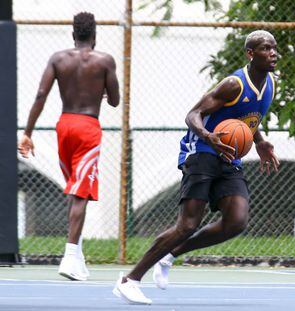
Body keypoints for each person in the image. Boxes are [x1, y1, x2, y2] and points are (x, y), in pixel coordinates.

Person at [113, 30, 279, 304]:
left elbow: (246, 120)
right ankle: (129, 280)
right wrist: (207, 137)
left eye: (274, 48)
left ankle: (170, 255)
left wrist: (258, 141)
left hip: (228, 155)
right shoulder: (233, 84)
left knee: (236, 221)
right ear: (251, 54)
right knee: (187, 224)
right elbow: (193, 115)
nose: (273, 53)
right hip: (201, 150)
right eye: (265, 48)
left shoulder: (271, 84)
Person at [18, 12, 120, 281]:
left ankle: (79, 256)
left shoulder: (58, 59)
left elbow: (41, 95)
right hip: (87, 126)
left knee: (75, 189)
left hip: (64, 125)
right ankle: (70, 256)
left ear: (73, 35)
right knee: (80, 194)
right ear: (95, 36)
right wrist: (104, 90)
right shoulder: (105, 61)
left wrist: (28, 133)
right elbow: (115, 100)